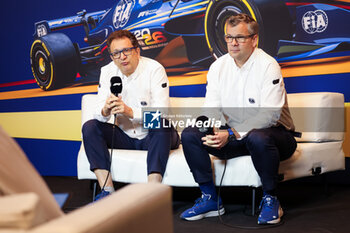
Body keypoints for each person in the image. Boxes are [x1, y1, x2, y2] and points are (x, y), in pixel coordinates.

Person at [180, 14, 297, 224]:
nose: (233, 43)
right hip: (235, 137)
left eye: (240, 38)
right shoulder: (218, 67)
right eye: (229, 37)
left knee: (258, 137)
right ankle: (209, 198)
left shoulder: (268, 65)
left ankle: (271, 199)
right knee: (190, 133)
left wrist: (231, 132)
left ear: (254, 39)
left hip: (276, 137)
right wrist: (215, 130)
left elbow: (270, 115)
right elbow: (211, 106)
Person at [82, 30, 180, 201]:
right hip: (125, 137)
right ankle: (107, 190)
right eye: (116, 53)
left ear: (137, 50)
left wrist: (129, 111)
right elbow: (99, 112)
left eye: (126, 50)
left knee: (161, 124)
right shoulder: (107, 72)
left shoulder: (154, 69)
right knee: (90, 126)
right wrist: (105, 110)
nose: (122, 57)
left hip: (154, 137)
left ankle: (152, 192)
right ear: (112, 57)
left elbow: (163, 113)